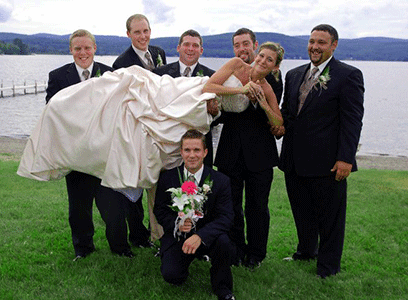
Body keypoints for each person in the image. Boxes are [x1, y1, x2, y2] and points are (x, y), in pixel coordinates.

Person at [278, 24, 364, 278]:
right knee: (301, 211)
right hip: (294, 159)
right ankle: (306, 251)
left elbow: (352, 120)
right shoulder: (294, 74)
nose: (315, 47)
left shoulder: (348, 75)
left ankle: (328, 266)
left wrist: (345, 158)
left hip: (327, 161)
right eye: (312, 41)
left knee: (330, 218)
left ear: (334, 45)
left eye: (321, 42)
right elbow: (287, 114)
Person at [44, 29, 134, 260]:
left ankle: (120, 248)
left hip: (105, 155)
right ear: (71, 50)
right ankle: (83, 249)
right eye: (78, 48)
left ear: (95, 48)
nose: (83, 53)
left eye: (87, 48)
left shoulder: (110, 73)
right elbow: (52, 111)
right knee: (78, 209)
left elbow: (120, 110)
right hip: (76, 155)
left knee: (113, 207)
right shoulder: (58, 76)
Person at [202, 41, 284, 269]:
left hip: (261, 155)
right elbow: (209, 86)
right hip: (230, 150)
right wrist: (241, 90)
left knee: (257, 207)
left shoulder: (268, 87)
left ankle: (256, 254)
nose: (262, 61)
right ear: (256, 55)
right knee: (231, 205)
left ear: (274, 67)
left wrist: (262, 103)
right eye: (262, 56)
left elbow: (279, 122)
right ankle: (235, 249)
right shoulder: (236, 64)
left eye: (269, 60)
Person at [154, 129, 235, 300]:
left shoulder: (220, 181)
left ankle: (223, 287)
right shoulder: (167, 178)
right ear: (181, 152)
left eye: (197, 150)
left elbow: (226, 217)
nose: (192, 155)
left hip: (208, 237)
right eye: (187, 150)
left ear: (205, 152)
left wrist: (200, 236)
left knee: (224, 242)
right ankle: (181, 263)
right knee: (172, 276)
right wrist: (177, 223)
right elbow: (159, 210)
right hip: (179, 238)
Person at [112, 13, 167, 247]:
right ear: (128, 34)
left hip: (159, 127)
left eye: (146, 31)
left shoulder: (159, 53)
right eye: (137, 32)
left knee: (158, 184)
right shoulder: (121, 62)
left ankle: (159, 232)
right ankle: (137, 235)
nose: (143, 36)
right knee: (134, 183)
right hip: (136, 130)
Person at [154, 29, 216, 167]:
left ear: (201, 50)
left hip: (200, 147)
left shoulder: (212, 77)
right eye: (186, 44)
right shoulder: (159, 74)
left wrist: (215, 112)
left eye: (195, 46)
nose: (190, 49)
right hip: (166, 147)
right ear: (178, 48)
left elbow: (220, 115)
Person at [232, 28, 283, 103]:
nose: (241, 49)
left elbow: (273, 107)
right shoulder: (230, 70)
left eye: (246, 44)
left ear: (255, 45)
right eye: (237, 46)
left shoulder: (272, 74)